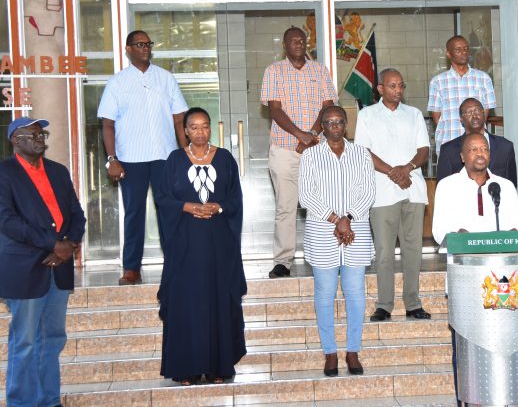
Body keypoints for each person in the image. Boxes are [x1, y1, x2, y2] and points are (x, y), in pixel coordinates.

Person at [432, 132, 518, 407]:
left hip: (503, 280)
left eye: (484, 148)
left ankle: (504, 397)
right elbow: (439, 231)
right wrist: (457, 235)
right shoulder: (448, 186)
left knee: (502, 342)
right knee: (466, 344)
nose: (480, 153)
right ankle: (467, 399)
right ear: (462, 157)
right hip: (465, 277)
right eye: (473, 149)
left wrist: (511, 234)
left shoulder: (503, 186)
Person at [155, 107, 246, 385]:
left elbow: (236, 199)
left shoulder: (226, 159)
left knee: (218, 299)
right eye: (193, 127)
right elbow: (162, 198)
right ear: (185, 131)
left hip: (219, 245)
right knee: (187, 302)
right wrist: (186, 206)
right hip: (185, 244)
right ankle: (187, 368)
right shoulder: (174, 160)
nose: (200, 132)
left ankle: (219, 366)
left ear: (211, 128)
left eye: (205, 126)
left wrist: (219, 207)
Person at [0, 117, 85, 407]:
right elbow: (7, 221)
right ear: (16, 140)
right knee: (25, 341)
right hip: (24, 269)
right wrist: (53, 244)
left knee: (52, 338)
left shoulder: (58, 171)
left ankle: (49, 400)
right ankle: (22, 402)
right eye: (33, 135)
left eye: (41, 134)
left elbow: (77, 214)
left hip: (58, 268)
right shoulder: (4, 173)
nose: (39, 139)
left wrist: (69, 244)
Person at [98, 30, 188, 286]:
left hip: (165, 157)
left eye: (148, 44)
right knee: (134, 213)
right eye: (139, 44)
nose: (145, 48)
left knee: (170, 211)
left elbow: (179, 119)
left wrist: (185, 154)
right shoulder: (117, 83)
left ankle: (176, 265)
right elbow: (107, 124)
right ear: (128, 49)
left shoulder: (166, 78)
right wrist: (112, 159)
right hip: (131, 159)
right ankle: (131, 269)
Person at [298, 106, 375, 377]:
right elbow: (306, 195)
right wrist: (335, 219)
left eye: (339, 122)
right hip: (323, 232)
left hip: (355, 231)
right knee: (324, 294)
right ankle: (330, 352)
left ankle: (353, 350)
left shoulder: (362, 154)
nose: (334, 126)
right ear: (322, 126)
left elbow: (368, 192)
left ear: (346, 124)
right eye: (329, 122)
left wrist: (348, 218)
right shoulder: (310, 155)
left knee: (355, 294)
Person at [354, 69, 432, 322]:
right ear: (380, 89)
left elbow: (424, 150)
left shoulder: (414, 114)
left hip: (413, 188)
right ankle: (384, 305)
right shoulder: (367, 115)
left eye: (401, 86)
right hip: (382, 192)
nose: (398, 90)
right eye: (392, 86)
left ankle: (413, 303)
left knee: (413, 250)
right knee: (384, 251)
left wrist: (407, 169)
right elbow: (363, 152)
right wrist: (393, 172)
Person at [261, 27, 338, 279]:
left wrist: (312, 134)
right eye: (293, 41)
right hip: (285, 149)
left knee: (324, 204)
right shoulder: (274, 71)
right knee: (286, 207)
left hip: (317, 149)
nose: (299, 44)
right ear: (284, 45)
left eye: (302, 40)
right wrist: (299, 135)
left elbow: (328, 107)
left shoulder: (320, 70)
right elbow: (275, 109)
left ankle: (326, 256)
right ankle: (283, 261)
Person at [428, 35, 496, 154]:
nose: (464, 52)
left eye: (466, 49)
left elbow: (485, 113)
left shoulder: (483, 78)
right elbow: (437, 117)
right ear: (449, 54)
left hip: (477, 144)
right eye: (458, 50)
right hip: (448, 141)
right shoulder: (437, 82)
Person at [436, 97, 517, 185]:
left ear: (484, 114)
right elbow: (442, 187)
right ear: (461, 119)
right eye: (469, 113)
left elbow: (512, 185)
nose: (474, 116)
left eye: (477, 111)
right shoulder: (448, 150)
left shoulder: (505, 147)